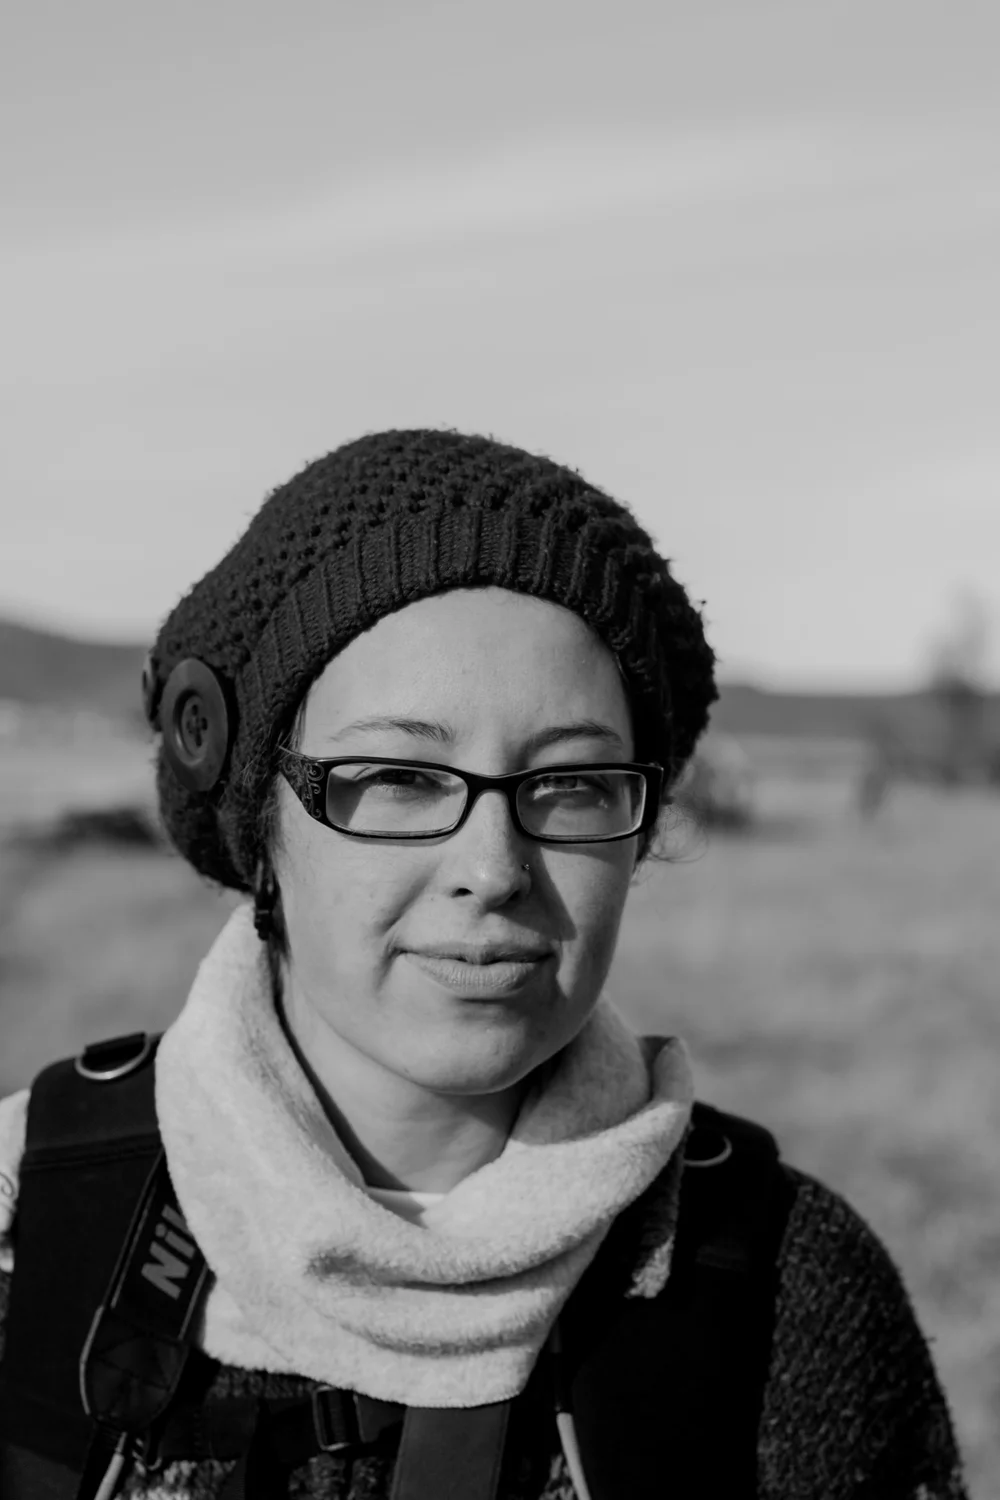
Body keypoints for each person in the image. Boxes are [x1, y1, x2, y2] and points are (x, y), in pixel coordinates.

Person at [0, 429, 966, 1498]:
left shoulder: (785, 1288)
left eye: (571, 785)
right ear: (260, 820)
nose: (494, 869)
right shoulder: (24, 1236)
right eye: (399, 777)